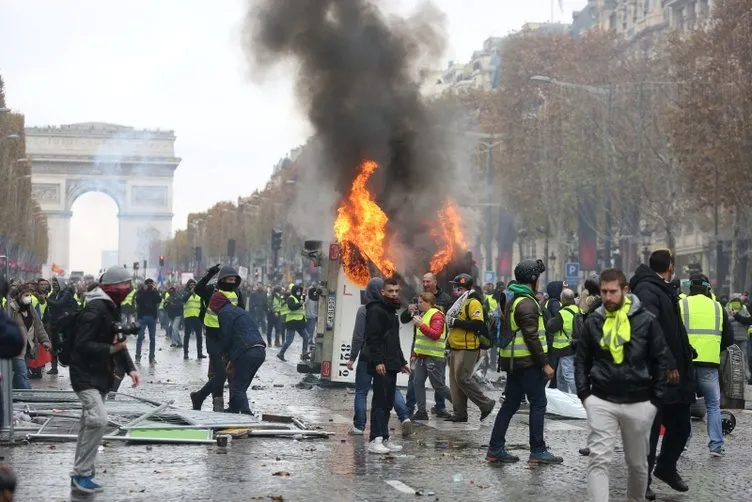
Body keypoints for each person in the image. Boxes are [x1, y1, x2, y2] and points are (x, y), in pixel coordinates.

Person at [575, 268, 670, 502]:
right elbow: (581, 361)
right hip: (601, 399)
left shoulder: (646, 321)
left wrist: (655, 401)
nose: (607, 297)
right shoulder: (594, 321)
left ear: (625, 290)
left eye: (612, 291)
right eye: (603, 292)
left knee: (638, 465)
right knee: (598, 459)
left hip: (639, 401)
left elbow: (661, 359)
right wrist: (585, 395)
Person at [69, 266, 140, 494]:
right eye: (124, 285)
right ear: (112, 287)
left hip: (99, 373)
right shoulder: (96, 307)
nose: (128, 289)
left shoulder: (111, 307)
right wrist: (112, 349)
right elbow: (82, 344)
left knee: (88, 423)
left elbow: (117, 342)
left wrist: (130, 369)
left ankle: (83, 474)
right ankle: (81, 473)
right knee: (98, 420)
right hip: (84, 374)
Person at [629, 249, 692, 498]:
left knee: (680, 426)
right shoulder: (647, 289)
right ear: (670, 265)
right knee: (650, 431)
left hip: (673, 374)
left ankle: (666, 467)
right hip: (656, 374)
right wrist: (667, 363)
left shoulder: (660, 288)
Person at [487, 260, 561, 464]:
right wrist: (545, 364)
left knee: (510, 404)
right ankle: (537, 450)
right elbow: (532, 337)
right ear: (533, 279)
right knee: (538, 403)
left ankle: (495, 448)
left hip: (514, 362)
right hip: (528, 363)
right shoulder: (526, 302)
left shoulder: (511, 297)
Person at [346, 277, 413, 437]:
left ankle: (359, 426)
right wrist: (400, 360)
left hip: (368, 357)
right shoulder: (390, 309)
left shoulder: (365, 309)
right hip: (385, 359)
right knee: (390, 390)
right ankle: (404, 417)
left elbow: (359, 336)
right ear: (382, 291)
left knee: (362, 391)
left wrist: (352, 357)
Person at [679, 273, 734, 457]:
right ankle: (716, 445)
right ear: (707, 288)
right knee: (713, 404)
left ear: (690, 288)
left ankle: (682, 443)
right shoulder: (718, 307)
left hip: (686, 363)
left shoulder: (682, 304)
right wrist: (713, 347)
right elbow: (729, 338)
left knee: (684, 404)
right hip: (709, 364)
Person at [364, 277, 411, 454]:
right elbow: (373, 339)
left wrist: (402, 362)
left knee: (388, 402)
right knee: (380, 402)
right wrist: (378, 361)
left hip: (391, 363)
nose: (394, 294)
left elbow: (394, 340)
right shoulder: (376, 310)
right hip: (382, 364)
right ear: (382, 292)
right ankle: (375, 439)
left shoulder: (391, 311)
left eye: (396, 291)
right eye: (390, 291)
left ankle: (384, 437)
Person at [190, 265, 244, 412]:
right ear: (222, 279)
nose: (231, 282)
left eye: (234, 279)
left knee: (228, 374)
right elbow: (198, 289)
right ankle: (216, 404)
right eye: (229, 279)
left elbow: (242, 314)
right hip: (213, 337)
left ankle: (200, 397)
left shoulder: (237, 293)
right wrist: (210, 273)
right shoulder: (211, 291)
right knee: (219, 374)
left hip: (229, 339)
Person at [444, 273, 496, 422]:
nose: (453, 289)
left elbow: (477, 324)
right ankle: (459, 413)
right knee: (455, 381)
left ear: (461, 288)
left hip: (468, 347)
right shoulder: (460, 302)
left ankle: (486, 404)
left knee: (463, 378)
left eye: (455, 287)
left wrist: (455, 322)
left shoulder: (473, 302)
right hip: (456, 346)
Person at [402, 272, 451, 418]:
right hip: (419, 346)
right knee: (415, 380)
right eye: (423, 281)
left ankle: (441, 406)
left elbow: (446, 323)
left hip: (435, 348)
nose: (425, 284)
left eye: (428, 281)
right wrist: (408, 311)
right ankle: (411, 407)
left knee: (438, 381)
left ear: (435, 282)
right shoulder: (417, 298)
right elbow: (404, 319)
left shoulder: (445, 299)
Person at [210, 291, 266, 415]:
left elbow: (226, 336)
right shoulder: (238, 310)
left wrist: (221, 353)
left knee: (239, 387)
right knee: (241, 384)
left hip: (247, 351)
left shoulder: (224, 313)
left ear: (216, 304)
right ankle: (234, 409)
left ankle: (247, 415)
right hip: (260, 350)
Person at [9, 284, 51, 389]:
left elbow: (38, 326)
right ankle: (28, 394)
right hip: (16, 348)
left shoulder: (30, 309)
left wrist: (45, 341)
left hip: (29, 347)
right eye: (26, 295)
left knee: (20, 373)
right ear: (19, 295)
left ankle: (15, 395)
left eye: (30, 295)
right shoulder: (12, 309)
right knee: (22, 372)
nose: (29, 297)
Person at [545, 288, 581, 394]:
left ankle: (579, 398)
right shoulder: (578, 309)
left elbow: (551, 326)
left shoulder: (563, 313)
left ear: (563, 299)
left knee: (568, 375)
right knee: (560, 376)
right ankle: (564, 397)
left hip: (565, 347)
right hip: (576, 345)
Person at [277, 285, 309, 362]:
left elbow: (302, 311)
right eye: (297, 291)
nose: (299, 292)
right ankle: (281, 353)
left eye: (300, 291)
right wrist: (300, 304)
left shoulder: (300, 299)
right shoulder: (290, 298)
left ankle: (304, 354)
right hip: (292, 323)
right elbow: (292, 307)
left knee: (306, 337)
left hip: (300, 323)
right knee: (289, 341)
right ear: (294, 291)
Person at [134, 279, 161, 364]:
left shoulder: (154, 292)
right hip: (142, 317)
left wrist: (155, 290)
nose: (149, 286)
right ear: (144, 285)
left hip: (152, 317)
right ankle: (138, 357)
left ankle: (152, 358)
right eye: (148, 284)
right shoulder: (140, 291)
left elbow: (159, 299)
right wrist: (143, 290)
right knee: (140, 337)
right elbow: (138, 300)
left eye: (150, 284)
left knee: (152, 338)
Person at [181, 279, 205, 360]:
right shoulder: (185, 292)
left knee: (199, 336)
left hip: (198, 317)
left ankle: (200, 353)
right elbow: (183, 300)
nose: (193, 286)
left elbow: (203, 304)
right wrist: (190, 292)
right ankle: (185, 353)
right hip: (188, 316)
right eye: (191, 285)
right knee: (187, 336)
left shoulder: (200, 294)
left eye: (194, 285)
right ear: (188, 286)